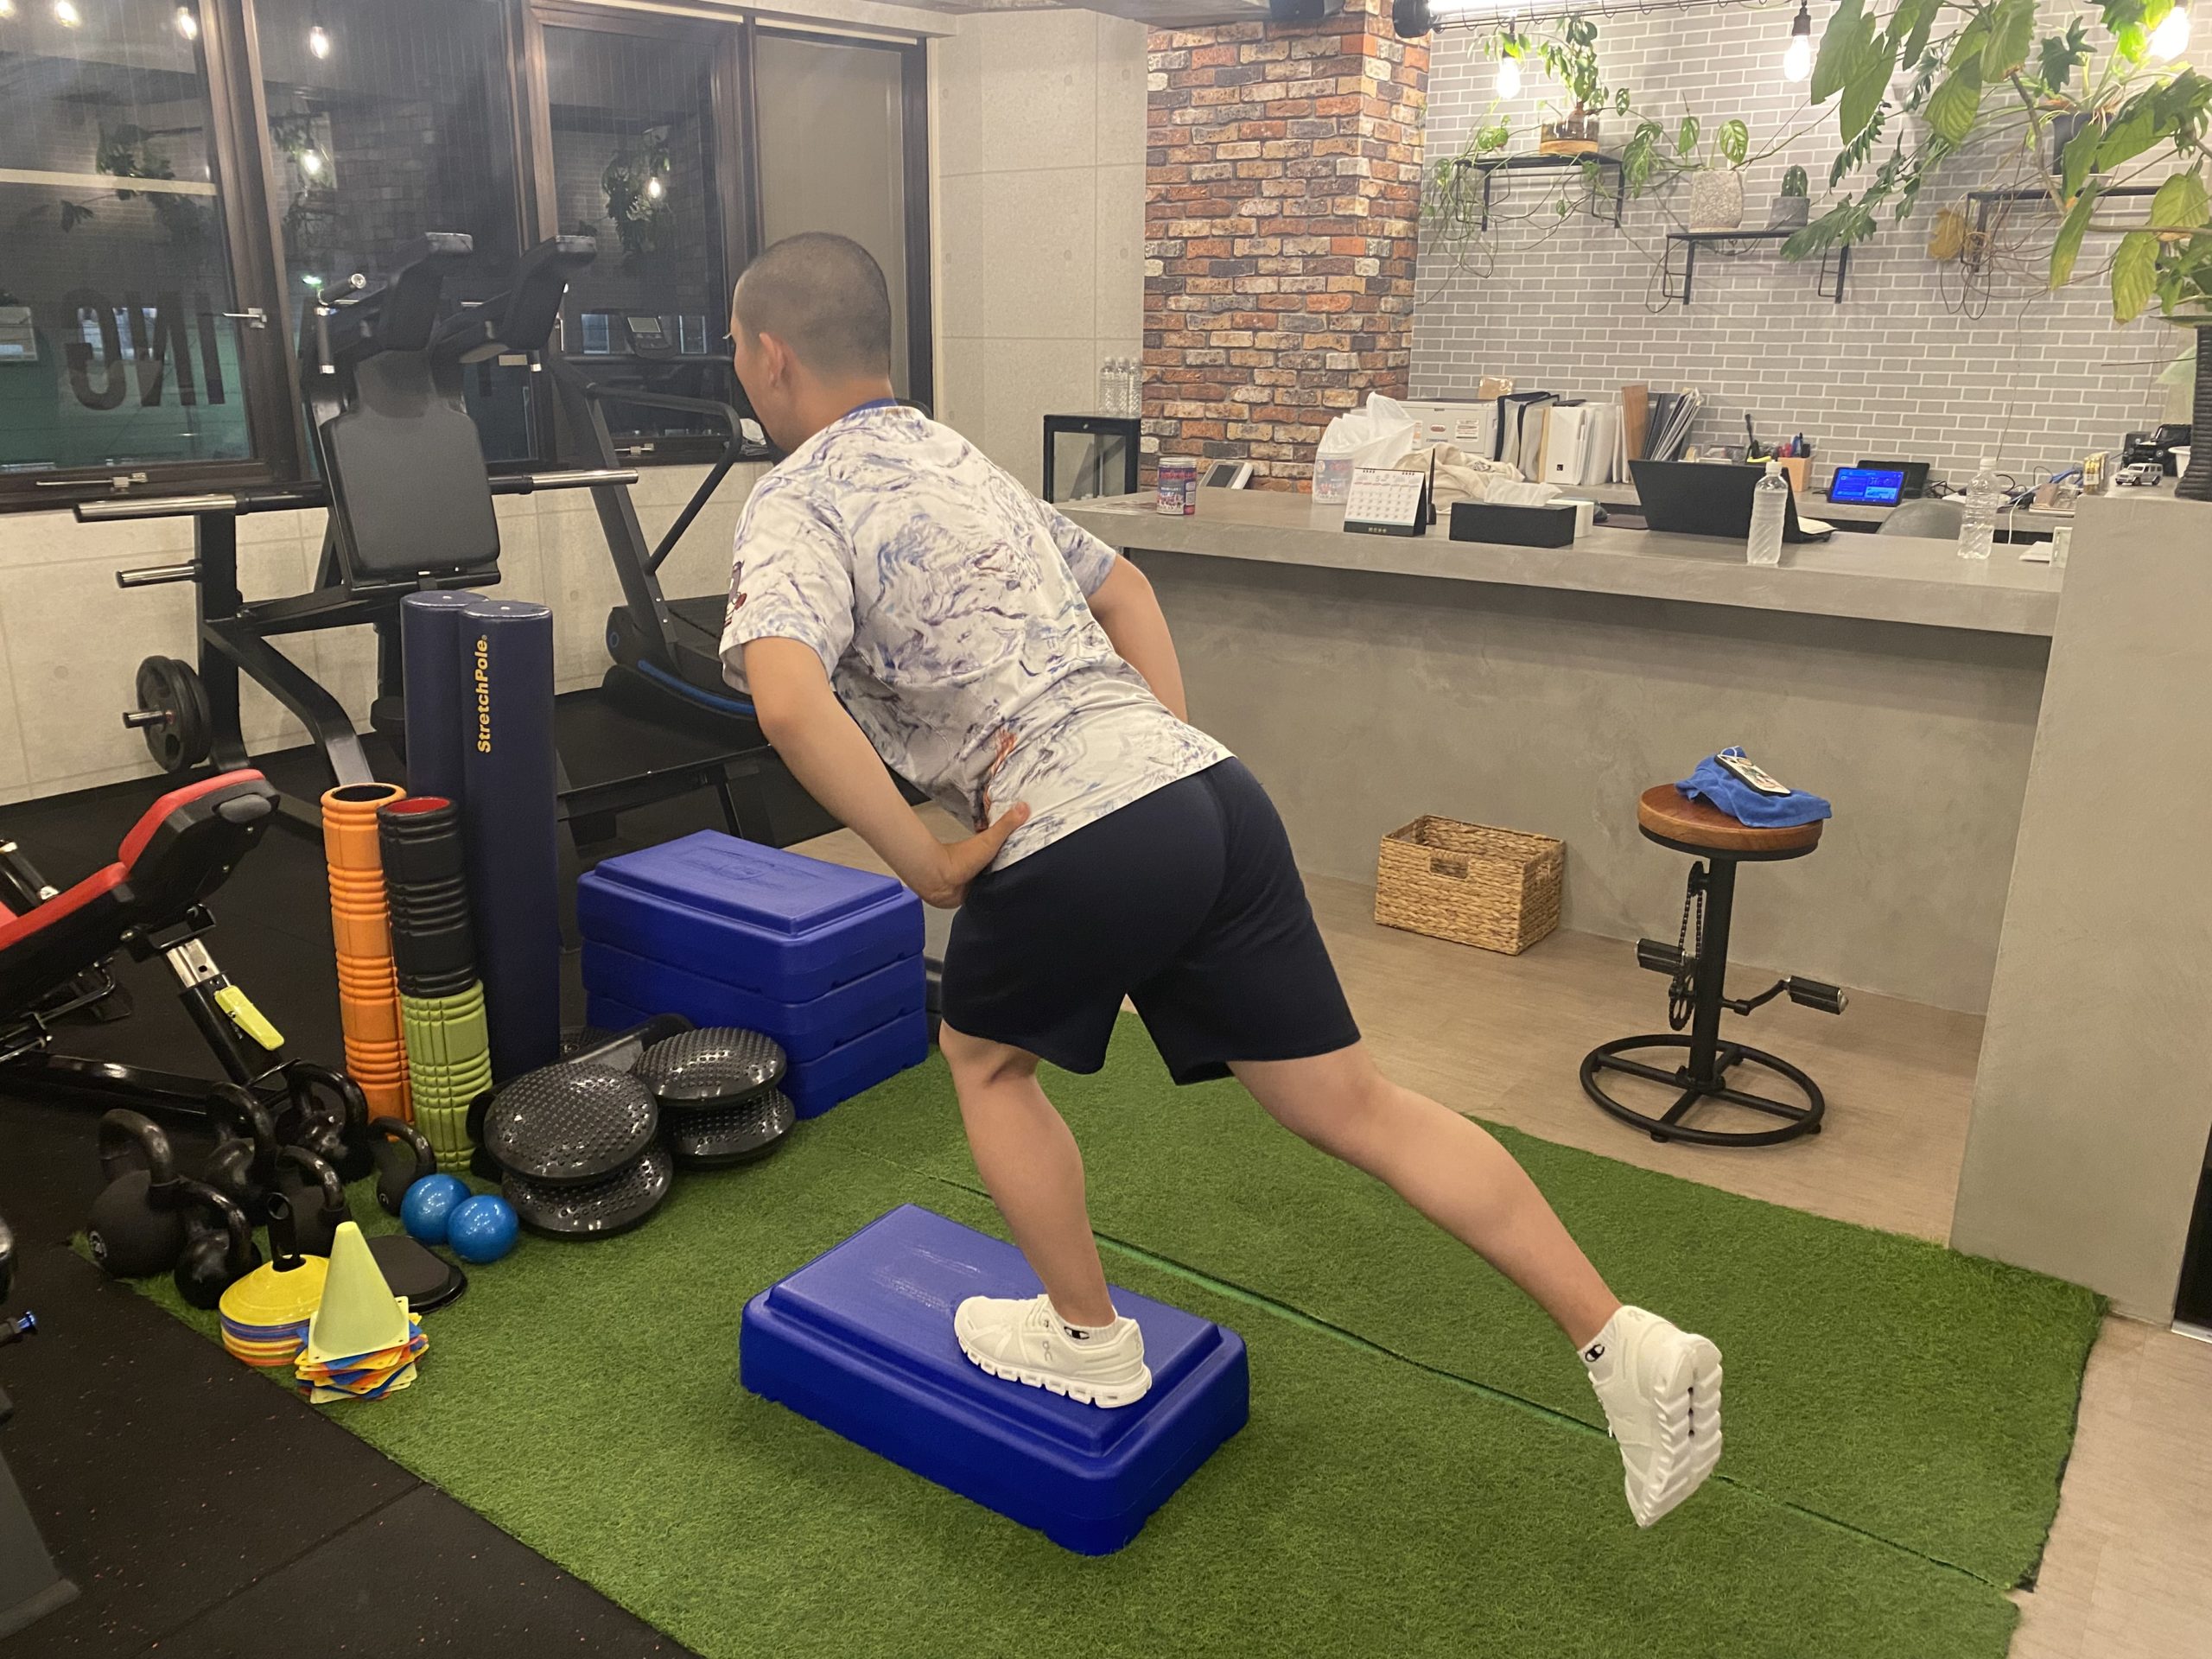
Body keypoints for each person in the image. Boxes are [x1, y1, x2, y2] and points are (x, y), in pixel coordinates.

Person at [720, 232, 1723, 1529]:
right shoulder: (956, 456)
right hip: (1212, 794)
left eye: (736, 351)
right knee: (1353, 1103)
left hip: (1064, 812)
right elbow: (1127, 589)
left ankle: (1087, 1337)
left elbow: (786, 700)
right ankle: (1619, 1339)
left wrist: (928, 862)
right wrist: (1156, 764)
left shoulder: (794, 497)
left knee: (982, 1060)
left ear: (772, 356)